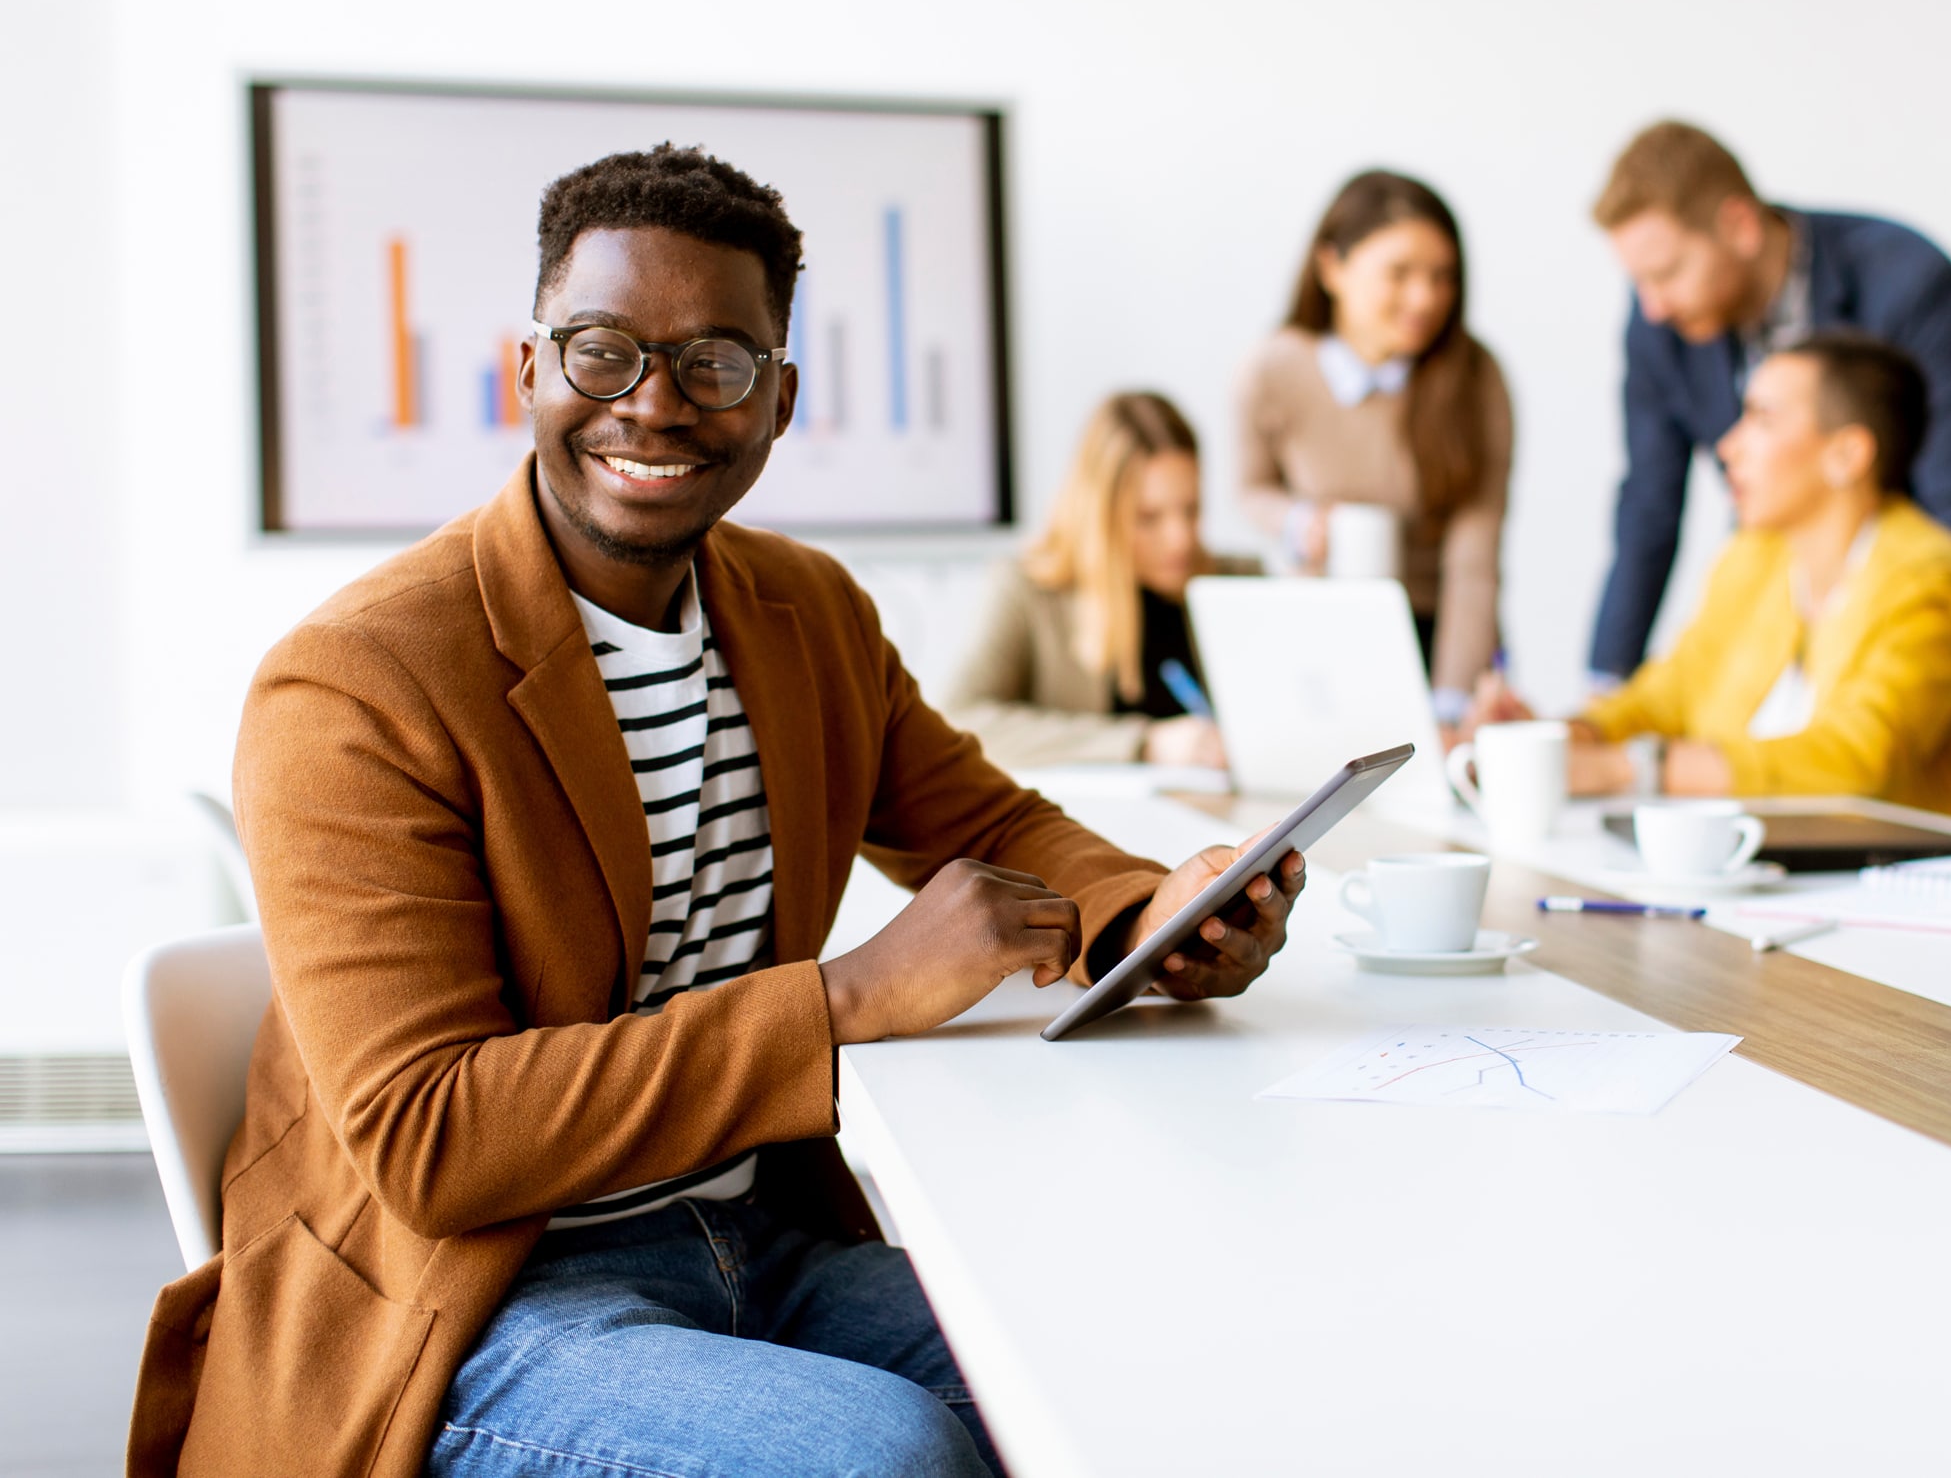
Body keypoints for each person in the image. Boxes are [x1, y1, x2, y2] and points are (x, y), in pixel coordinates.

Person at [128, 145, 1308, 1478]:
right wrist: (850, 997)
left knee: (1122, 1363)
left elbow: (993, 822)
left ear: (782, 396)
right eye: (601, 350)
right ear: (529, 371)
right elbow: (430, 1135)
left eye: (715, 362)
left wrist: (1160, 907)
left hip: (757, 1236)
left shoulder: (806, 613)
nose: (655, 403)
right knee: (887, 1453)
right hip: (468, 1297)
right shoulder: (360, 681)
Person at [1472, 332, 1951, 830]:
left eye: (1762, 419)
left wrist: (1626, 769)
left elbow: (1856, 763)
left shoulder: (1932, 582)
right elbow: (1669, 695)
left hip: (1916, 899)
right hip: (1764, 874)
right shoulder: (1754, 557)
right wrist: (1553, 739)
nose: (1727, 446)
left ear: (1847, 455)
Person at [1585, 119, 1951, 692]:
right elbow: (1648, 508)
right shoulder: (1661, 325)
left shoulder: (1905, 281)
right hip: (1785, 607)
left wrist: (1932, 674)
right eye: (1638, 282)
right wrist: (1606, 683)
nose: (1652, 305)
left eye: (1666, 273)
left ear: (1738, 226)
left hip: (1939, 604)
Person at [1237, 169, 1514, 725]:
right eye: (1400, 273)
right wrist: (1297, 522)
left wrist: (1449, 706)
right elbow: (1251, 488)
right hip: (1322, 633)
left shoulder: (1475, 380)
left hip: (1441, 641)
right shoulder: (1273, 368)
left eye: (1441, 277)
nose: (1425, 298)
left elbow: (1473, 563)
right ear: (1332, 267)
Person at [946, 391, 1258, 769]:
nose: (1181, 539)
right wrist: (1142, 744)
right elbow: (959, 721)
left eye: (1191, 510)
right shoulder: (1028, 590)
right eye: (1148, 517)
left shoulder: (1241, 583)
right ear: (1099, 514)